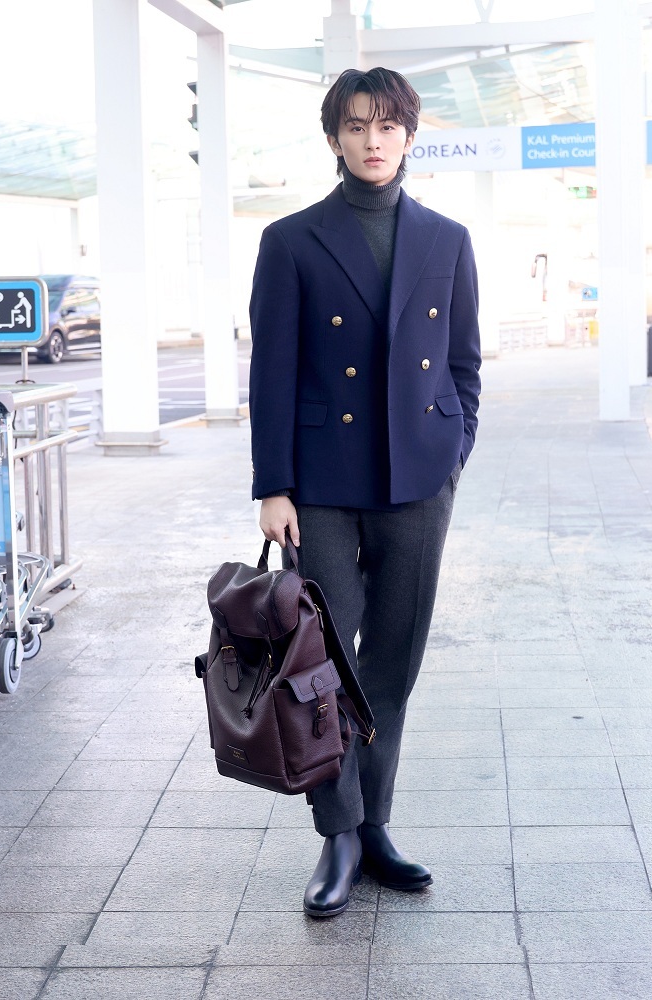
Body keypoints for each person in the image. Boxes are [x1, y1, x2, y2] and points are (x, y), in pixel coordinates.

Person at [248, 67, 481, 918]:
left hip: (417, 481)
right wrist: (273, 485)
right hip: (321, 485)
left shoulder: (447, 239)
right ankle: (338, 833)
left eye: (386, 126)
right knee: (323, 665)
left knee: (393, 660)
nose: (372, 141)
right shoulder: (292, 239)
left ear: (409, 136)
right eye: (355, 126)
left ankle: (375, 825)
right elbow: (271, 371)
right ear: (335, 138)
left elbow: (463, 362)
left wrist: (453, 450)